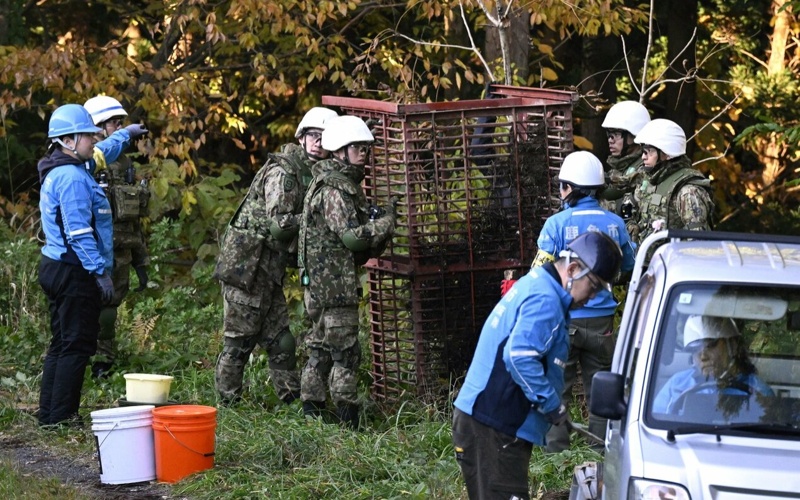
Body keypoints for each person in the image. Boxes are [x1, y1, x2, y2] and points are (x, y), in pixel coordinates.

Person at [453, 231, 623, 500]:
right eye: (593, 287)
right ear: (574, 269)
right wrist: (552, 404)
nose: (592, 297)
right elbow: (519, 357)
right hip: (493, 426)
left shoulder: (539, 284)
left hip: (491, 423)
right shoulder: (546, 299)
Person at [213, 106, 338, 405]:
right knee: (239, 340)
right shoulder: (286, 171)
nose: (318, 142)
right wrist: (315, 218)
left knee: (281, 340)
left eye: (325, 137)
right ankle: (227, 404)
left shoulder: (315, 172)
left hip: (269, 268)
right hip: (248, 265)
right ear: (302, 137)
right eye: (313, 136)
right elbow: (280, 226)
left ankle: (291, 400)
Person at [530, 151, 636, 453]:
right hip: (603, 323)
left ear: (570, 188)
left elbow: (540, 272)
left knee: (557, 383)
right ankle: (600, 449)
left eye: (562, 185)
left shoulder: (555, 224)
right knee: (601, 387)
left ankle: (556, 450)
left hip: (566, 320)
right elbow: (628, 266)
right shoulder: (616, 223)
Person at [298, 114, 396, 427]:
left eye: (366, 148)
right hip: (333, 287)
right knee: (345, 354)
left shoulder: (329, 181)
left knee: (322, 349)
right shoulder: (335, 189)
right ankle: (347, 422)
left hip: (320, 284)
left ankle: (313, 416)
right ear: (340, 151)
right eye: (358, 148)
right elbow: (352, 238)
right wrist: (385, 222)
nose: (364, 153)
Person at [37, 104, 132, 426]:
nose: (94, 140)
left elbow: (102, 151)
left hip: (57, 265)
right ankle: (61, 416)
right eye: (88, 135)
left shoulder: (67, 168)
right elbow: (77, 231)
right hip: (73, 269)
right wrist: (99, 272)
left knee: (62, 342)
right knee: (77, 344)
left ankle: (49, 413)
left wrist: (124, 136)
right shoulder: (72, 178)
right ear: (68, 140)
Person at [83, 95, 151, 379]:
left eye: (122, 123)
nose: (120, 128)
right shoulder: (90, 160)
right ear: (98, 126)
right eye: (114, 123)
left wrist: (141, 262)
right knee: (94, 310)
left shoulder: (123, 165)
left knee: (109, 310)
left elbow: (132, 218)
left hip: (122, 250)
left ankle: (103, 363)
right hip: (93, 251)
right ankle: (85, 359)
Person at [653, 315, 773, 415]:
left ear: (732, 344)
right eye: (695, 350)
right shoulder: (677, 384)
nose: (703, 356)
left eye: (710, 346)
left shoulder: (758, 389)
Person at [630, 118, 714, 245]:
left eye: (649, 151)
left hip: (672, 262)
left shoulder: (688, 192)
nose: (643, 156)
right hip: (645, 261)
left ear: (667, 154)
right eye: (643, 151)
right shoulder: (649, 181)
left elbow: (697, 243)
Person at [598, 100, 650, 220]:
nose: (610, 140)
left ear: (634, 136)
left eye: (616, 134)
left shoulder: (644, 168)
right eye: (609, 134)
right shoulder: (621, 165)